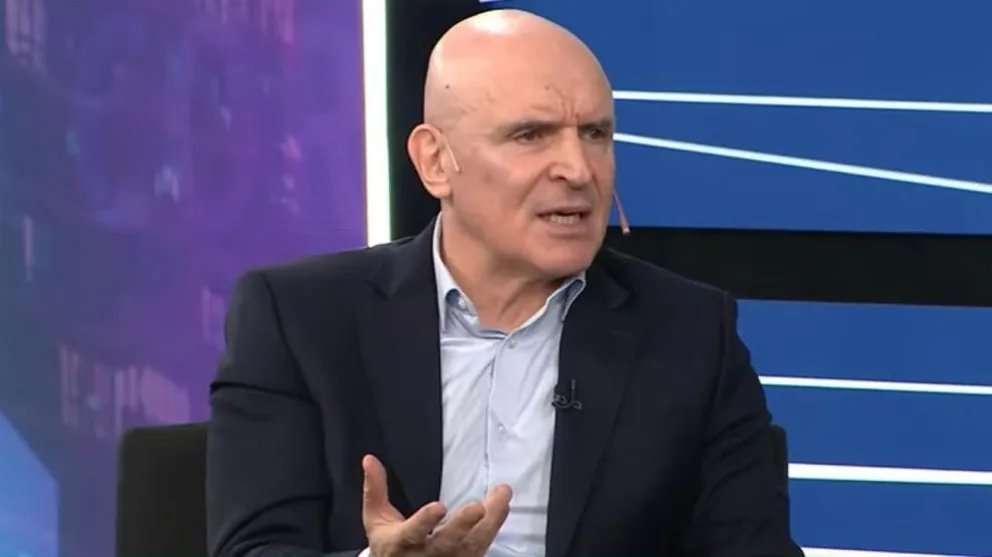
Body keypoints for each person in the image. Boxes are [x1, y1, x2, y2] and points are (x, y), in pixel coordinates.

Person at [206, 8, 803, 557]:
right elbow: (254, 549)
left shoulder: (690, 334)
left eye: (595, 134)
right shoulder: (299, 320)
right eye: (530, 135)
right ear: (435, 162)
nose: (578, 170)